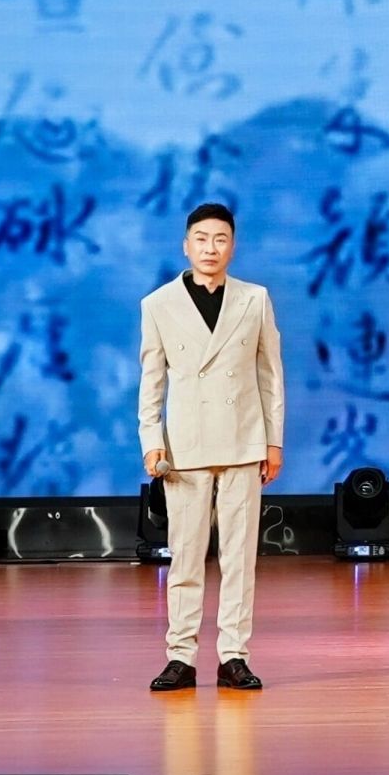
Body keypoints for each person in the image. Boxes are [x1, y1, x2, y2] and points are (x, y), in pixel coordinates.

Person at [139, 202, 286, 692]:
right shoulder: (158, 304)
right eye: (201, 239)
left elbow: (270, 375)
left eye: (220, 239)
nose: (210, 248)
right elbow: (151, 382)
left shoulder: (254, 298)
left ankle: (233, 656)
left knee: (240, 558)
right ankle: (180, 657)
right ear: (186, 245)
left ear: (232, 246)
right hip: (185, 448)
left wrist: (273, 441)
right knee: (185, 556)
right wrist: (151, 442)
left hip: (244, 440)